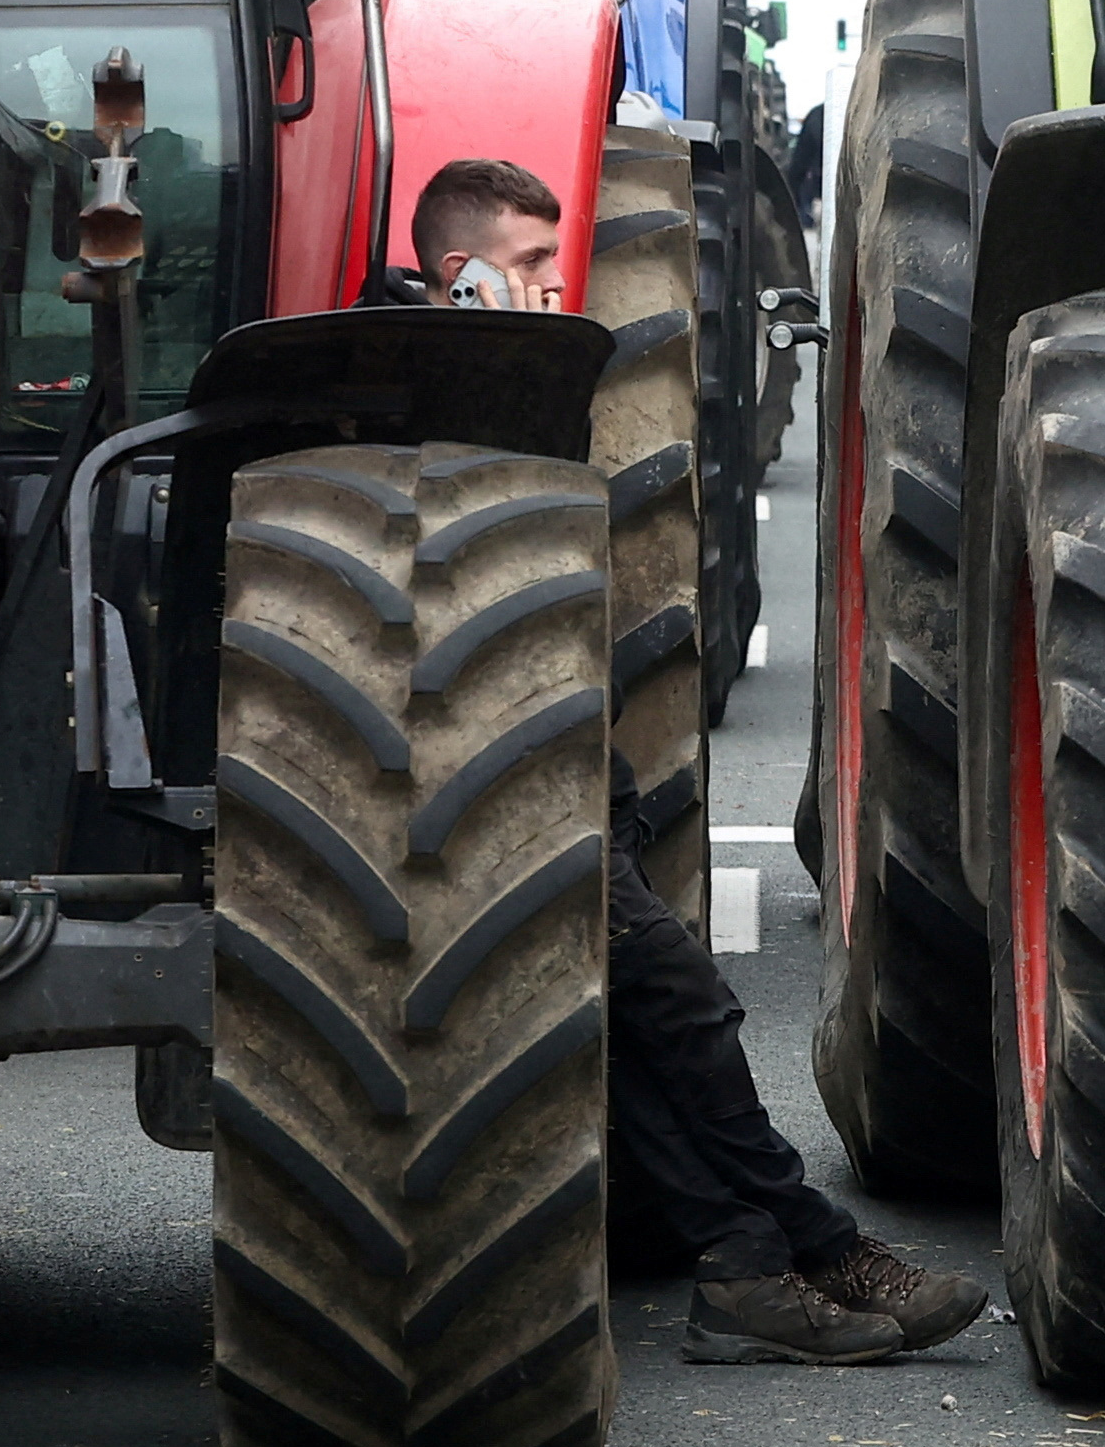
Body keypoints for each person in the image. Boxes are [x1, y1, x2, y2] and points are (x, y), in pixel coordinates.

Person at [413, 158, 989, 1367]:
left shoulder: (526, 391)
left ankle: (751, 1263)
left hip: (570, 767)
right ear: (456, 274)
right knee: (677, 998)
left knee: (645, 1012)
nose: (550, 285)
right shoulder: (419, 395)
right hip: (491, 784)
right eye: (523, 266)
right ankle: (810, 1243)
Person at [406, 156, 565, 311]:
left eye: (552, 257)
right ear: (459, 272)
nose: (558, 282)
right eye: (531, 261)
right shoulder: (386, 336)